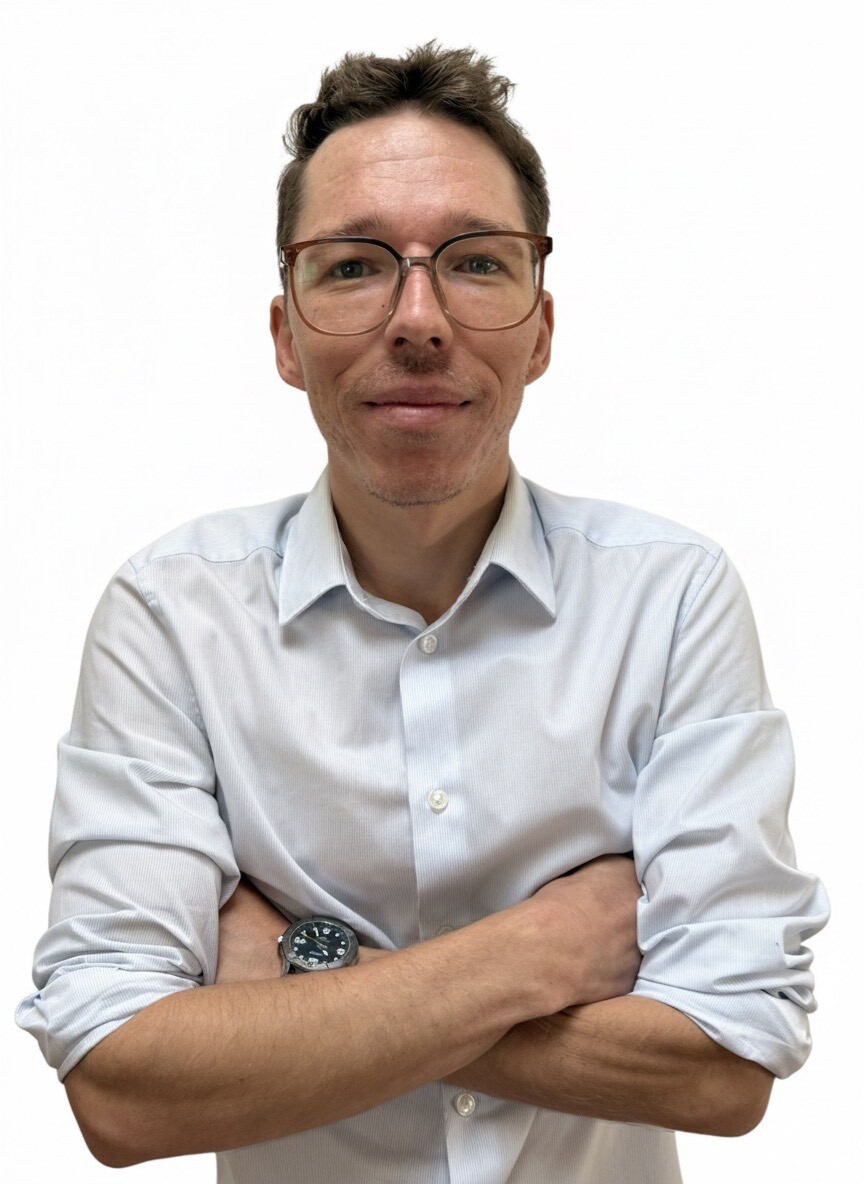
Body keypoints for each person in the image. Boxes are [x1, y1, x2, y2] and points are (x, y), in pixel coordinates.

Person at [17, 42, 828, 1184]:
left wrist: (308, 971)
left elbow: (725, 1070)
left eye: (477, 262)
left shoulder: (671, 599)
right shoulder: (171, 617)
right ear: (286, 335)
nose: (418, 318)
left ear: (542, 329)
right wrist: (539, 950)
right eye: (353, 266)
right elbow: (118, 1087)